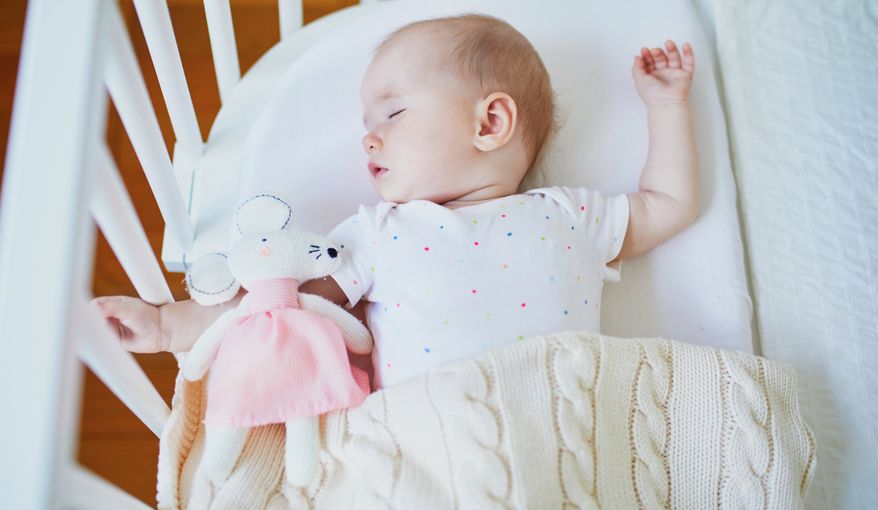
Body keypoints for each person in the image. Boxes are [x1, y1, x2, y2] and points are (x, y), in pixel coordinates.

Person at [94, 13, 699, 390]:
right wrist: (169, 325)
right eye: (368, 121)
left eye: (395, 111)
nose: (369, 135)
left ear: (490, 122)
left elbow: (667, 202)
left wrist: (666, 108)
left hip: (563, 415)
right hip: (430, 437)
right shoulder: (379, 233)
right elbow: (274, 303)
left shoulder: (570, 216)